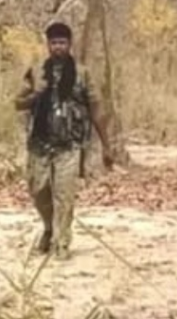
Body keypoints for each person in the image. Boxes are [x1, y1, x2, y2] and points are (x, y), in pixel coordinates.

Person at [14, 22, 114, 260]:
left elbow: (96, 109)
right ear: (48, 45)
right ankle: (49, 228)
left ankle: (62, 242)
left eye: (62, 42)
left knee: (64, 194)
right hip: (39, 143)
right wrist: (36, 94)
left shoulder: (82, 73)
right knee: (39, 191)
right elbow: (18, 103)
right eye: (54, 43)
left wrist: (106, 146)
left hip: (70, 144)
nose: (58, 47)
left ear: (69, 44)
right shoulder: (36, 71)